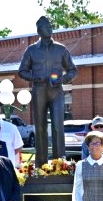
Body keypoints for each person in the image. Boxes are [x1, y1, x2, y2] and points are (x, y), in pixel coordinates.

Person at [18, 16, 78, 166]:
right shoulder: (31, 50)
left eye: (51, 26)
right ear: (39, 31)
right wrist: (34, 77)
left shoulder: (61, 49)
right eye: (46, 27)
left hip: (56, 91)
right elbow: (22, 71)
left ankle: (60, 165)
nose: (50, 29)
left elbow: (72, 70)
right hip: (39, 91)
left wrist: (62, 80)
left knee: (58, 126)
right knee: (40, 128)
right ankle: (41, 164)